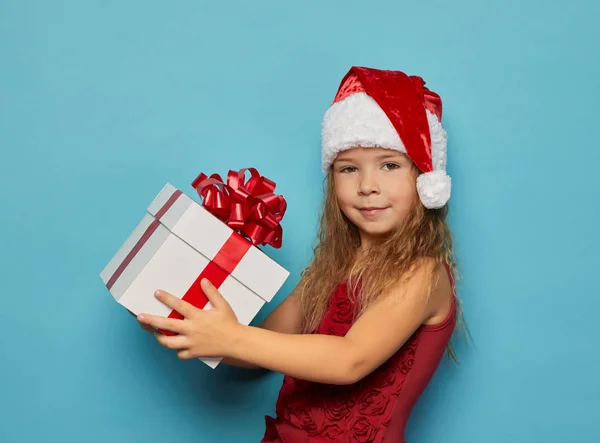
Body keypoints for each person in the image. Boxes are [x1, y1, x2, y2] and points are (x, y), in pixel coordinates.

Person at [136, 66, 465, 443]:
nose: (367, 186)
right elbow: (256, 344)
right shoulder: (329, 269)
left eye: (390, 166)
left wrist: (231, 339)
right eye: (348, 169)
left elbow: (349, 360)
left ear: (426, 180)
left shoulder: (423, 273)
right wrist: (189, 327)